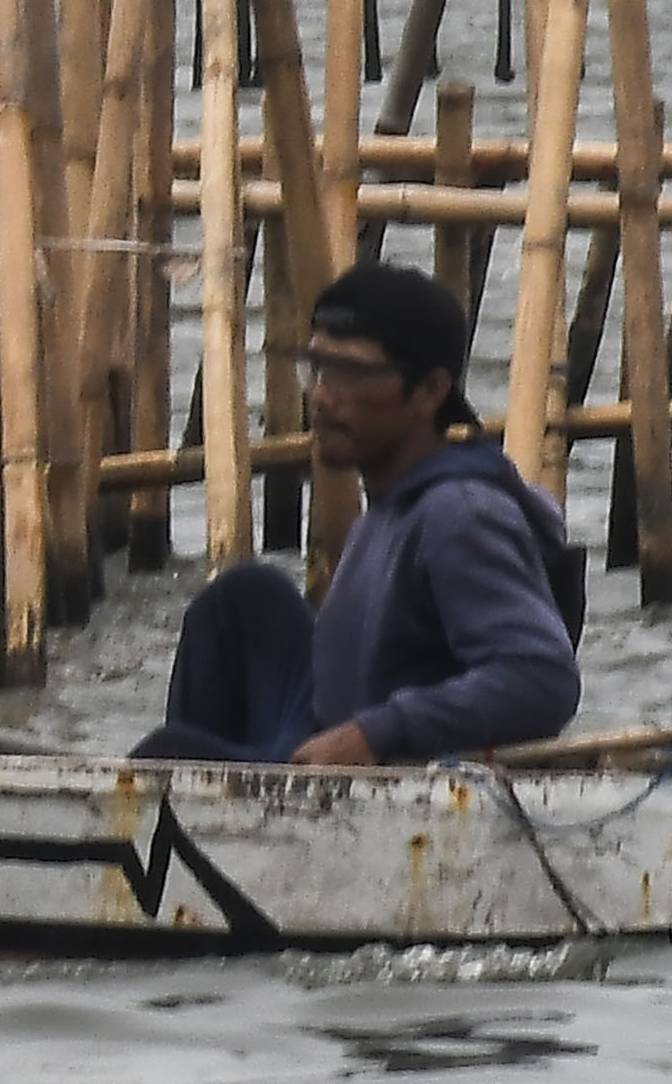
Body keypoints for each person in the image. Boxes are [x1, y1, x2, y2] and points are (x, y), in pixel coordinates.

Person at [137, 261, 578, 767]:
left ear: (431, 391)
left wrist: (376, 734)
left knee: (167, 754)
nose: (322, 395)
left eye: (352, 373)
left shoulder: (459, 515)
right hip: (330, 720)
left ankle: (183, 804)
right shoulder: (394, 502)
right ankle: (198, 810)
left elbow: (542, 678)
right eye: (318, 368)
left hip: (381, 756)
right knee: (243, 600)